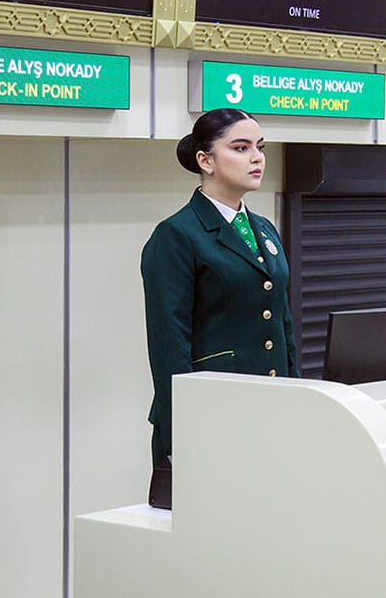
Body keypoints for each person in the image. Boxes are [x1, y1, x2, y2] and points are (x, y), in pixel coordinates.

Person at [141, 108, 299, 506]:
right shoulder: (177, 235)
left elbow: (283, 324)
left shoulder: (264, 229)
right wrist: (182, 429)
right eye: (241, 148)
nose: (257, 158)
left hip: (271, 411)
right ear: (205, 160)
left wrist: (300, 398)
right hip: (213, 416)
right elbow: (169, 344)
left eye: (260, 147)